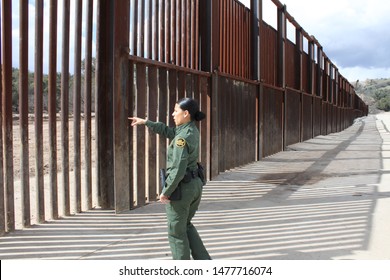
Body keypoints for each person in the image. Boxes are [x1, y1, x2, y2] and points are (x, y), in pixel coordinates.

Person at [129, 97, 211, 260]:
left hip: (183, 188)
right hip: (195, 185)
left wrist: (166, 192)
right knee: (186, 226)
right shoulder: (190, 130)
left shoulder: (182, 138)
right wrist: (146, 122)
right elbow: (168, 131)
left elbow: (178, 169)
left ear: (186, 113)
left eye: (176, 111)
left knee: (176, 232)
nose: (173, 114)